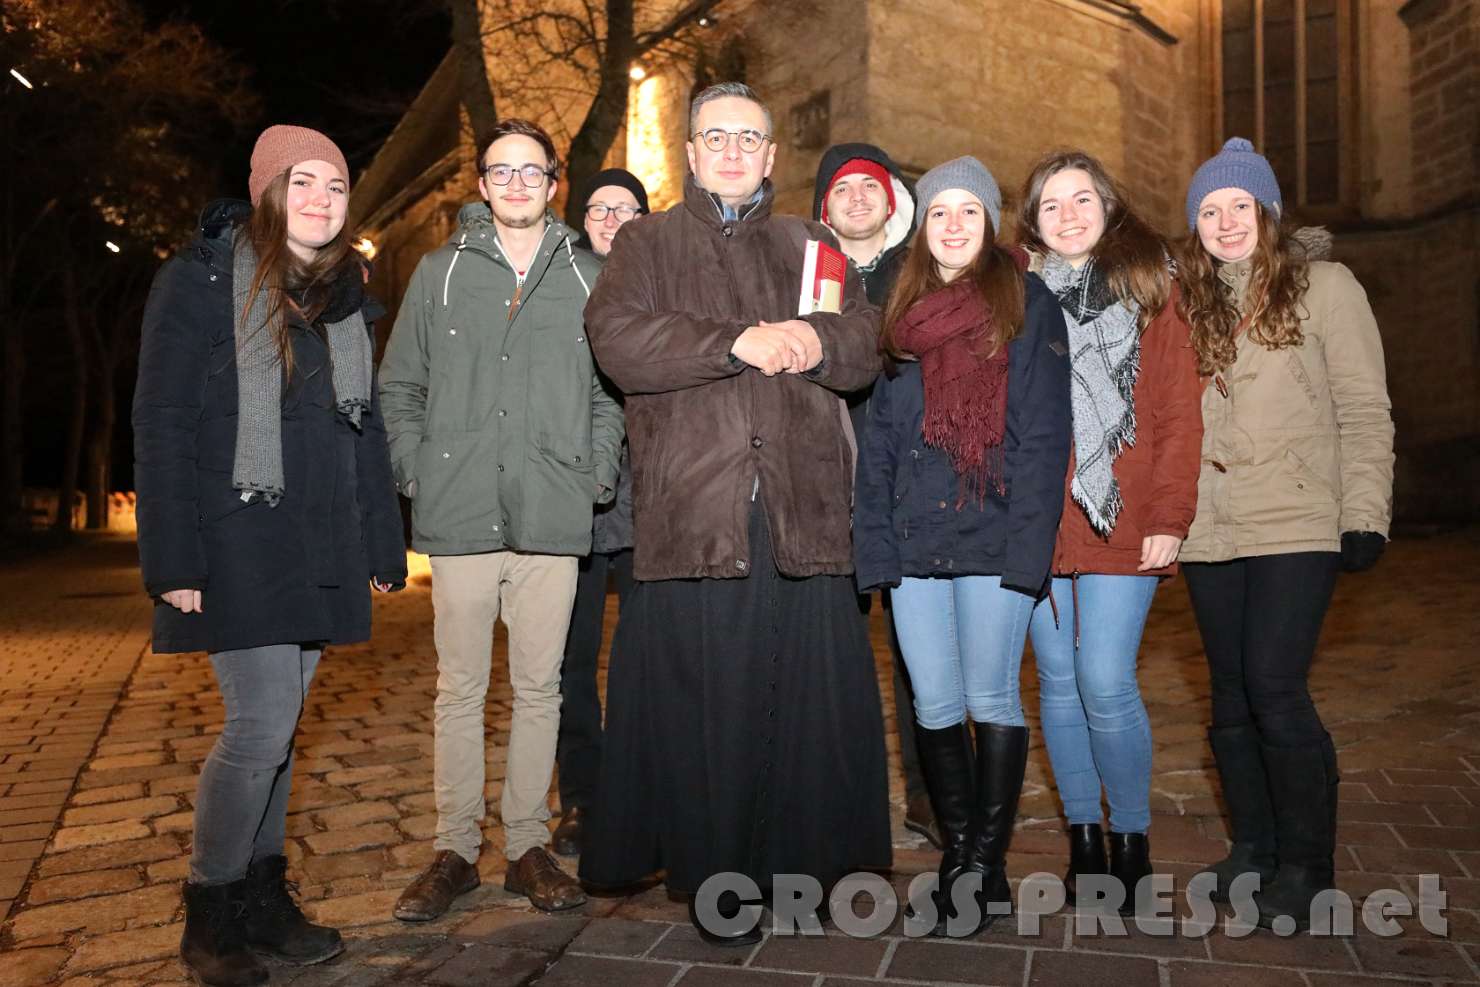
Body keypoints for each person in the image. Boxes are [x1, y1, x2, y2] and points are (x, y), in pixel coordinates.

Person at [578, 82, 891, 945]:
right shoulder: (645, 241)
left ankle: (802, 874)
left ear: (770, 157)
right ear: (687, 151)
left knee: (802, 701)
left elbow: (864, 344)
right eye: (714, 136)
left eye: (748, 139)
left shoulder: (812, 242)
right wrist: (733, 342)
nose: (730, 151)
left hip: (799, 507)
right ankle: (719, 879)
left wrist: (819, 341)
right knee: (705, 707)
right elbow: (618, 338)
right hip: (698, 506)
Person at [133, 125, 407, 986]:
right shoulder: (200, 281)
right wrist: (172, 559)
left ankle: (264, 896)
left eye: (334, 184)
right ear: (266, 190)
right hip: (234, 534)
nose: (321, 198)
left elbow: (361, 430)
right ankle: (210, 911)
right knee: (259, 724)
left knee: (283, 728)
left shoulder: (344, 297)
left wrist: (382, 538)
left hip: (317, 536)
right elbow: (163, 421)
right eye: (302, 181)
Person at [379, 118, 623, 920]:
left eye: (532, 172)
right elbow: (401, 387)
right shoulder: (439, 274)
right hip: (461, 514)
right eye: (501, 172)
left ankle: (526, 844)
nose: (517, 185)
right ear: (481, 184)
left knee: (541, 686)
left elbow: (607, 393)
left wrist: (595, 471)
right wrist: (419, 470)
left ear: (554, 182)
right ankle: (454, 846)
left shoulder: (587, 274)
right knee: (458, 686)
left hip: (553, 513)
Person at [1177, 138, 1394, 930]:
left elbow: (1365, 406)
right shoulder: (1188, 303)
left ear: (1266, 213)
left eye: (1240, 205)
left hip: (1297, 518)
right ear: (1194, 223)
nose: (1226, 221)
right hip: (1209, 526)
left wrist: (1365, 510)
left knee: (1274, 683)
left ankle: (1307, 864)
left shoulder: (1325, 287)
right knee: (1229, 696)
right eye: (1209, 209)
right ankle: (1256, 847)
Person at [853, 156, 1071, 936]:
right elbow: (878, 441)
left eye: (968, 212)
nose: (952, 225)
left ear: (988, 223)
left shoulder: (1027, 302)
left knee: (991, 698)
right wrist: (873, 548)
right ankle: (961, 855)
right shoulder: (898, 312)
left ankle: (983, 860)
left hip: (993, 532)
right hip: (915, 541)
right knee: (935, 703)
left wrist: (1029, 553)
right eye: (938, 211)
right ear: (921, 225)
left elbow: (1046, 438)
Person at [1015, 150, 1203, 912]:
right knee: (1057, 685)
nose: (1067, 213)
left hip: (1122, 514)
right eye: (1051, 203)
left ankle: (1132, 835)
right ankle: (1084, 836)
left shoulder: (1151, 289)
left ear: (1108, 206)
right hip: (1037, 516)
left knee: (1103, 678)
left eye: (1081, 198)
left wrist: (1168, 516)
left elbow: (1176, 413)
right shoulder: (1017, 298)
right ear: (1033, 220)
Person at [811, 144, 938, 849]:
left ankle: (929, 793)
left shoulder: (919, 270)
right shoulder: (807, 273)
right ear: (823, 206)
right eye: (841, 188)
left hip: (909, 482)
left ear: (893, 199)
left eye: (870, 186)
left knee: (918, 652)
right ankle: (836, 793)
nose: (857, 197)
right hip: (827, 484)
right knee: (832, 648)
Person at [552, 168, 649, 857]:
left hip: (651, 497)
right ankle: (582, 797)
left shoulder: (664, 281)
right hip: (574, 498)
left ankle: (643, 788)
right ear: (582, 218)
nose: (611, 216)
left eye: (625, 206)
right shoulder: (557, 283)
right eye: (598, 207)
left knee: (646, 654)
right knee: (571, 658)